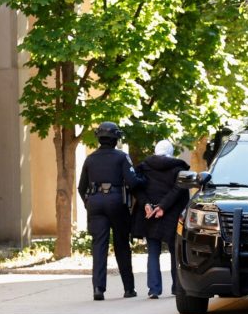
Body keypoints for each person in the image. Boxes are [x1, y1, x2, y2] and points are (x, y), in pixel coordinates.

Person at [77, 122, 144, 300]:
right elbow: (133, 182)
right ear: (116, 138)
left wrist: (89, 203)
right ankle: (129, 288)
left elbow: (81, 187)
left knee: (99, 245)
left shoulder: (90, 159)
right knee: (121, 244)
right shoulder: (121, 157)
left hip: (95, 202)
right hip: (116, 201)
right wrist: (144, 180)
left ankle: (98, 289)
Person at [130, 140, 189, 299]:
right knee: (174, 252)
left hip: (150, 215)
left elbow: (136, 187)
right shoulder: (178, 169)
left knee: (153, 252)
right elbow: (178, 190)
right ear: (171, 151)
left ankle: (154, 289)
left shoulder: (144, 167)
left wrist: (147, 205)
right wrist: (162, 207)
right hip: (172, 214)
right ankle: (177, 287)